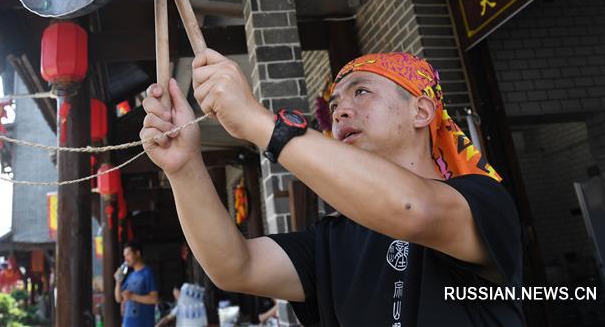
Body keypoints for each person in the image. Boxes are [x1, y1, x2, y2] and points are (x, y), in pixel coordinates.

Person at [141, 50, 523, 326]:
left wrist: (258, 122)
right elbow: (234, 266)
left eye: (361, 92)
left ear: (421, 112)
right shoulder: (334, 239)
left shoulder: (482, 199)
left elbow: (412, 209)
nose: (339, 111)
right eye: (335, 102)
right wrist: (185, 167)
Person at [114, 240, 159, 327]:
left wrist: (132, 296)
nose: (126, 259)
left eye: (128, 254)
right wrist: (118, 281)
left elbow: (154, 299)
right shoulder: (130, 276)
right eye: (124, 256)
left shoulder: (147, 272)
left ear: (137, 253)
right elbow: (118, 298)